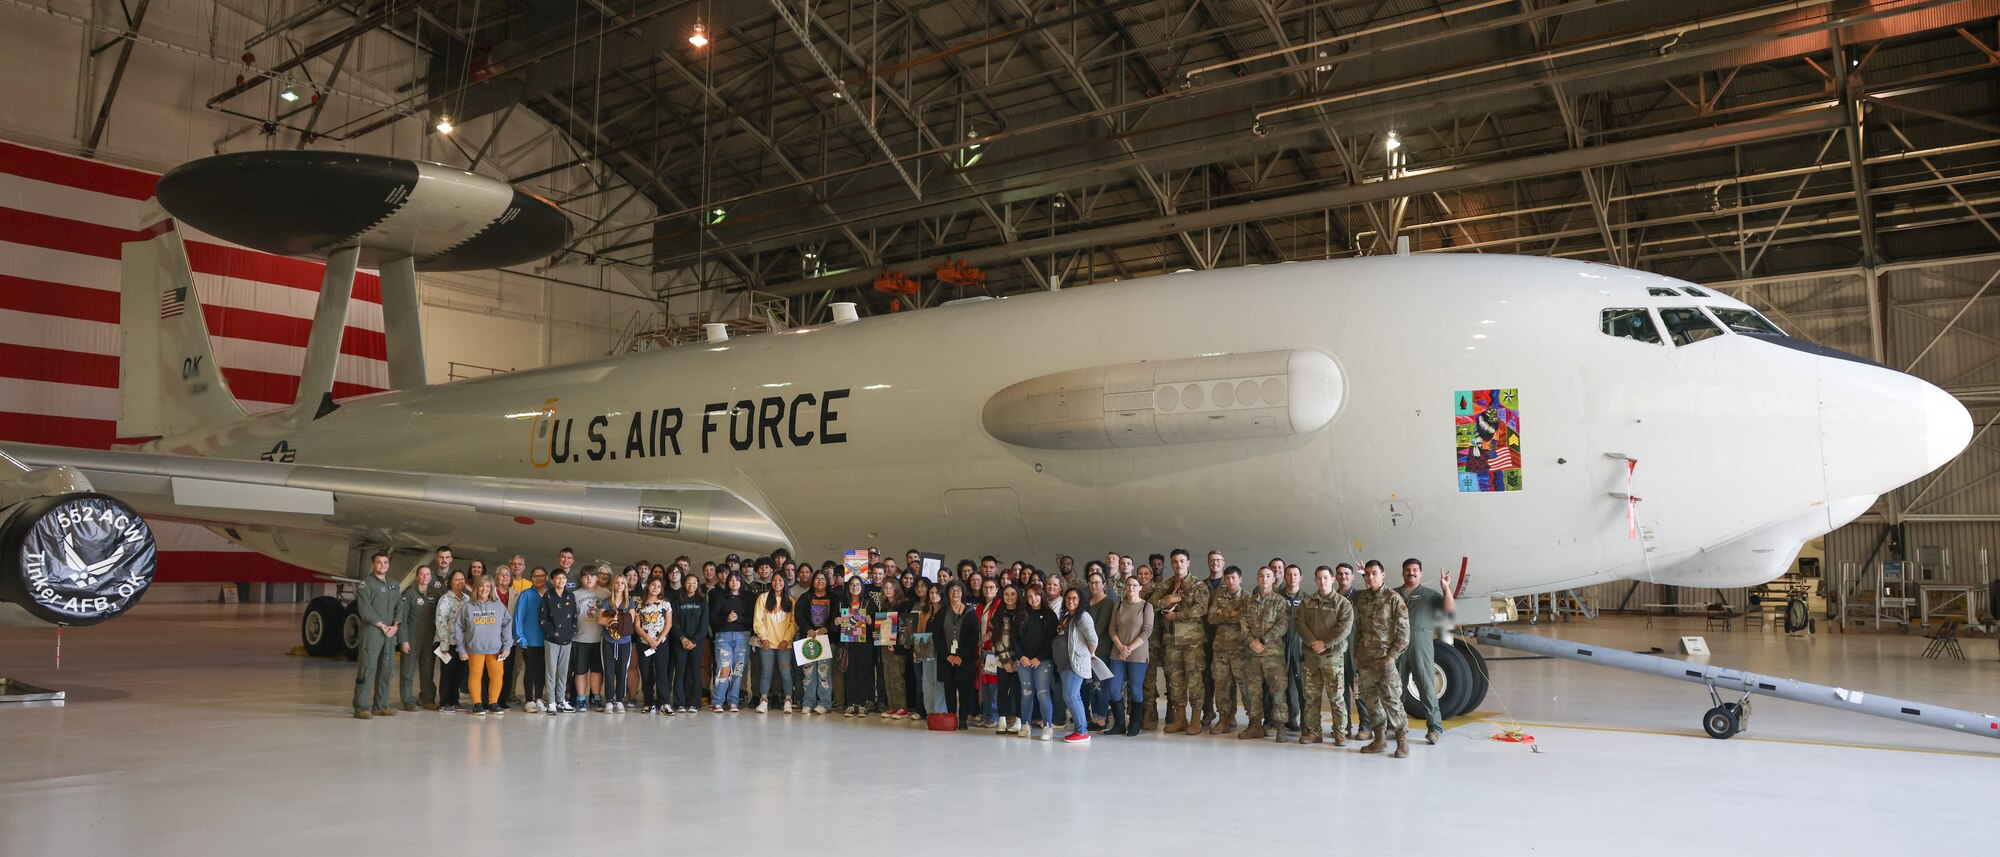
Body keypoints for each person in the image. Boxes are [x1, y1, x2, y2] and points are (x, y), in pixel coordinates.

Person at [1352, 560, 1412, 757]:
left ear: (1383, 575)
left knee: (1392, 700)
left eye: (1374, 573)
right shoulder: (1362, 599)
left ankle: (1403, 742)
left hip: (1384, 660)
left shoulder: (1393, 599)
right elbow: (1359, 631)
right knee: (1371, 701)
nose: (1370, 577)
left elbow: (1404, 633)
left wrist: (1391, 657)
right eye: (1367, 574)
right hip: (1366, 660)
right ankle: (1379, 740)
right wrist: (1357, 657)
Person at [1394, 557, 1456, 744]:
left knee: (1426, 686)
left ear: (1420, 573)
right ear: (1403, 572)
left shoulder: (1430, 595)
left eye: (1415, 570)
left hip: (1420, 642)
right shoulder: (1393, 594)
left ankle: (1435, 728)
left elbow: (1449, 611)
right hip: (1396, 644)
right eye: (1407, 569)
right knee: (1395, 687)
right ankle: (1395, 727)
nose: (1411, 572)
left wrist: (1446, 589)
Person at [1150, 548, 1208, 734]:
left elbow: (1202, 608)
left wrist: (1177, 615)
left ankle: (1195, 720)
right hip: (1171, 642)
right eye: (1175, 561)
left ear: (1188, 563)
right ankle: (1180, 719)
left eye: (1182, 561)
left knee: (1194, 681)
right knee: (1175, 682)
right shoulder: (1165, 586)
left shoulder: (1198, 585)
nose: (1178, 565)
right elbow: (1150, 606)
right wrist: (1169, 599)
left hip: (1192, 642)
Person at [1296, 565, 1354, 746]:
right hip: (1311, 657)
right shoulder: (1307, 601)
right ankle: (1313, 732)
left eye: (1326, 578)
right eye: (1319, 578)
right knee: (1311, 697)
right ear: (1315, 580)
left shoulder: (1342, 603)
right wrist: (1313, 642)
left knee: (1337, 697)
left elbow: (1344, 628)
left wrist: (1325, 643)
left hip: (1332, 658)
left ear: (1333, 579)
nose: (1322, 581)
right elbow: (1299, 622)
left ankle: (1340, 733)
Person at [1238, 564, 1291, 742]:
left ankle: (1281, 727)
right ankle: (1254, 726)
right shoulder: (1249, 601)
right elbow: (1243, 623)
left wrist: (1262, 641)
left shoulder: (1280, 601)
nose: (1264, 579)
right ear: (1257, 579)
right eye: (1261, 576)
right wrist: (1251, 641)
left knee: (1278, 691)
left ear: (1274, 579)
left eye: (1268, 576)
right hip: (1252, 655)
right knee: (1252, 691)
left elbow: (1282, 625)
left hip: (1272, 655)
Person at [352, 552, 402, 719]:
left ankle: (380, 706)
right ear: (372, 565)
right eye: (379, 563)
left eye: (385, 562)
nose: (382, 565)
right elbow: (365, 609)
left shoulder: (394, 584)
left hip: (389, 633)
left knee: (386, 670)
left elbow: (399, 606)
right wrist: (381, 625)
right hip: (373, 632)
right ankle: (360, 707)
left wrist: (395, 625)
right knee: (368, 669)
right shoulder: (366, 584)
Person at [457, 576, 513, 716]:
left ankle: (493, 703)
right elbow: (458, 628)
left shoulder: (498, 605)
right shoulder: (468, 606)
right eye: (482, 586)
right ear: (477, 588)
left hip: (495, 649)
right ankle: (477, 704)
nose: (484, 589)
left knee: (497, 676)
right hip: (474, 649)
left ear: (491, 589)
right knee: (475, 676)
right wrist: (461, 649)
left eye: (488, 586)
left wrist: (507, 646)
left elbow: (507, 625)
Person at [1106, 574, 1153, 737]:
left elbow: (1147, 631)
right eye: (1128, 585)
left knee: (1135, 689)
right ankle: (1119, 724)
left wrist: (1129, 648)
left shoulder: (1146, 607)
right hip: (1118, 653)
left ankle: (1134, 723)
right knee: (1113, 688)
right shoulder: (1119, 605)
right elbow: (1112, 627)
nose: (1131, 588)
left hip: (1137, 654)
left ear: (1140, 587)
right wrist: (1120, 646)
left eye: (1134, 585)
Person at [1204, 565, 1248, 735]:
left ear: (1240, 579)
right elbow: (1211, 618)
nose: (1230, 581)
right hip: (1221, 650)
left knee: (1245, 687)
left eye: (1233, 578)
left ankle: (1253, 721)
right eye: (1227, 578)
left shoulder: (1247, 598)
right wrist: (1232, 613)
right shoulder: (1219, 595)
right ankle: (1224, 719)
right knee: (1222, 685)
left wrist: (1225, 613)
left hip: (1240, 650)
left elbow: (1246, 618)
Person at [930, 581, 980, 729]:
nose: (955, 593)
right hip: (946, 658)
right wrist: (948, 656)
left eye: (958, 591)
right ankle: (952, 716)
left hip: (965, 659)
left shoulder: (970, 612)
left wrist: (961, 656)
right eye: (952, 591)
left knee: (965, 689)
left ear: (962, 593)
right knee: (949, 689)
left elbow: (973, 637)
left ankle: (963, 718)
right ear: (948, 593)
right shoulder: (941, 612)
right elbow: (936, 636)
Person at [1014, 584, 1057, 740]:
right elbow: (1014, 639)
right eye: (1030, 596)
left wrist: (1039, 658)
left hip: (1043, 661)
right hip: (1024, 662)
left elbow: (1052, 640)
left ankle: (1047, 726)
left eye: (1036, 596)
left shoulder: (1050, 616)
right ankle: (1025, 724)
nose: (1033, 599)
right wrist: (1021, 657)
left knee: (1043, 693)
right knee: (1026, 694)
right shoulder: (1021, 615)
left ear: (1042, 596)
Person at [1055, 587, 1098, 744]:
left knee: (1071, 696)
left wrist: (1088, 654)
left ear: (1080, 601)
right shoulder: (1068, 616)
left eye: (1074, 598)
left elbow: (1093, 640)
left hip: (1075, 663)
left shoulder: (1083, 616)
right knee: (1073, 696)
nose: (1070, 601)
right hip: (1064, 664)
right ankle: (1081, 729)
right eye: (1068, 598)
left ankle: (1082, 732)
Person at [710, 571, 755, 713]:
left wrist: (738, 619)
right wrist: (727, 620)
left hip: (743, 636)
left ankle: (733, 701)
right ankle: (717, 701)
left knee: (738, 670)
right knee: (724, 668)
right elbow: (713, 619)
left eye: (737, 580)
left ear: (741, 582)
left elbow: (752, 619)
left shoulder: (749, 598)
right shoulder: (720, 597)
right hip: (724, 637)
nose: (734, 582)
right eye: (731, 580)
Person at [752, 575, 796, 713]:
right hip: (767, 643)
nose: (777, 583)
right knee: (766, 671)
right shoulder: (763, 598)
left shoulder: (790, 600)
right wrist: (763, 637)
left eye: (780, 580)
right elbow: (757, 621)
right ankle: (764, 700)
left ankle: (788, 700)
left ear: (785, 583)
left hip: (784, 644)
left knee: (785, 672)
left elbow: (794, 623)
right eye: (775, 580)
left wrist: (786, 639)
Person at [836, 576, 878, 717]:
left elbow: (878, 624)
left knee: (864, 673)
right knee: (850, 674)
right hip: (848, 644)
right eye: (852, 585)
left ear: (862, 587)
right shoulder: (842, 603)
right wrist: (837, 621)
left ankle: (862, 704)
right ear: (848, 587)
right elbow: (833, 625)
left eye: (858, 584)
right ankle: (850, 704)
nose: (855, 587)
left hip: (865, 645)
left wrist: (871, 621)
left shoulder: (868, 602)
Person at [538, 568, 579, 715]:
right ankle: (551, 701)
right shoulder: (548, 596)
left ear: (566, 580)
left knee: (563, 671)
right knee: (551, 671)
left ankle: (561, 699)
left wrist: (572, 631)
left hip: (567, 639)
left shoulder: (570, 596)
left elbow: (574, 616)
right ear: (552, 580)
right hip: (552, 640)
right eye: (557, 578)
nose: (560, 581)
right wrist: (552, 633)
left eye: (563, 578)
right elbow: (542, 619)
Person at [670, 572, 711, 713]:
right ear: (684, 584)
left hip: (696, 642)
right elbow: (673, 621)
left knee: (695, 671)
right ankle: (679, 703)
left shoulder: (702, 601)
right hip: (679, 641)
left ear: (698, 585)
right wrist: (682, 638)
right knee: (680, 671)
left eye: (694, 583)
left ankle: (694, 702)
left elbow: (704, 624)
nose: (691, 585)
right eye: (689, 582)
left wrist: (694, 640)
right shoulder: (677, 600)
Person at [395, 565, 435, 711]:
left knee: (427, 670)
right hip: (411, 638)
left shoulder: (434, 595)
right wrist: (403, 640)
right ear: (417, 577)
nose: (424, 577)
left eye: (427, 574)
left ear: (431, 577)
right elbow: (402, 619)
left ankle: (427, 698)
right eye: (422, 574)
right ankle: (407, 700)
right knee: (408, 671)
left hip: (429, 639)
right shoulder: (409, 594)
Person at [986, 584, 1024, 734]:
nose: (1009, 597)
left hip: (1021, 660)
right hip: (1003, 661)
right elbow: (995, 640)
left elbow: (1026, 639)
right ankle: (1001, 720)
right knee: (1002, 690)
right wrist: (1006, 661)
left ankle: (1019, 721)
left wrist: (1017, 660)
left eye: (1013, 594)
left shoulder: (1023, 613)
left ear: (1018, 595)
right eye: (1006, 594)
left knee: (1018, 691)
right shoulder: (998, 613)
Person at [636, 576, 675, 714]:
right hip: (644, 644)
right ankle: (648, 703)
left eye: (659, 586)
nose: (655, 588)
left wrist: (657, 641)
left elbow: (668, 624)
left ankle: (664, 703)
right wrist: (648, 639)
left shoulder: (665, 603)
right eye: (653, 585)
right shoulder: (640, 604)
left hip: (661, 644)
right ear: (648, 586)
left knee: (661, 673)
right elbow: (637, 625)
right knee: (646, 673)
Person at [599, 570, 636, 713]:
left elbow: (631, 621)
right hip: (608, 640)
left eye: (622, 583)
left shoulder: (629, 602)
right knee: (608, 670)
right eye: (617, 582)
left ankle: (619, 699)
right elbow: (600, 619)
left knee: (622, 671)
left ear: (625, 586)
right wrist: (617, 620)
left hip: (625, 641)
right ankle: (609, 700)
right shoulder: (607, 601)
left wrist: (614, 620)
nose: (619, 585)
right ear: (613, 585)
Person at [434, 569, 470, 713]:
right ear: (451, 582)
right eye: (457, 579)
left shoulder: (467, 599)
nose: (460, 582)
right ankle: (444, 702)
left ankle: (454, 700)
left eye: (462, 579)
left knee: (459, 674)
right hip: (448, 643)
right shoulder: (446, 599)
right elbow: (441, 621)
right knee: (447, 673)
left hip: (462, 645)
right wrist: (444, 643)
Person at [513, 567, 548, 712]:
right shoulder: (526, 595)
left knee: (543, 671)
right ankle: (529, 699)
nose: (538, 579)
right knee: (531, 670)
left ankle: (539, 697)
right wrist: (520, 638)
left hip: (547, 641)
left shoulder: (550, 595)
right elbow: (518, 618)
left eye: (541, 576)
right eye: (535, 576)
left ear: (546, 577)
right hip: (530, 641)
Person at [876, 578, 910, 719]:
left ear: (896, 589)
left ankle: (901, 707)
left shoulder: (903, 604)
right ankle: (892, 706)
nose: (888, 590)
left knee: (897, 676)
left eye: (891, 587)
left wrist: (895, 644)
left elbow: (905, 628)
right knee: (887, 676)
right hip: (885, 644)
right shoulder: (884, 606)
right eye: (886, 587)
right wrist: (876, 633)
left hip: (898, 647)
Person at [1085, 572, 1115, 728]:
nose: (1094, 585)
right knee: (1091, 686)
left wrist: (1087, 644)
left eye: (1097, 582)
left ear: (1104, 585)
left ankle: (1102, 718)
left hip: (1100, 650)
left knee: (1101, 686)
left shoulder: (1107, 602)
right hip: (1086, 651)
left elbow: (1099, 627)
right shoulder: (1087, 602)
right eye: (1091, 582)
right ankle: (1095, 717)